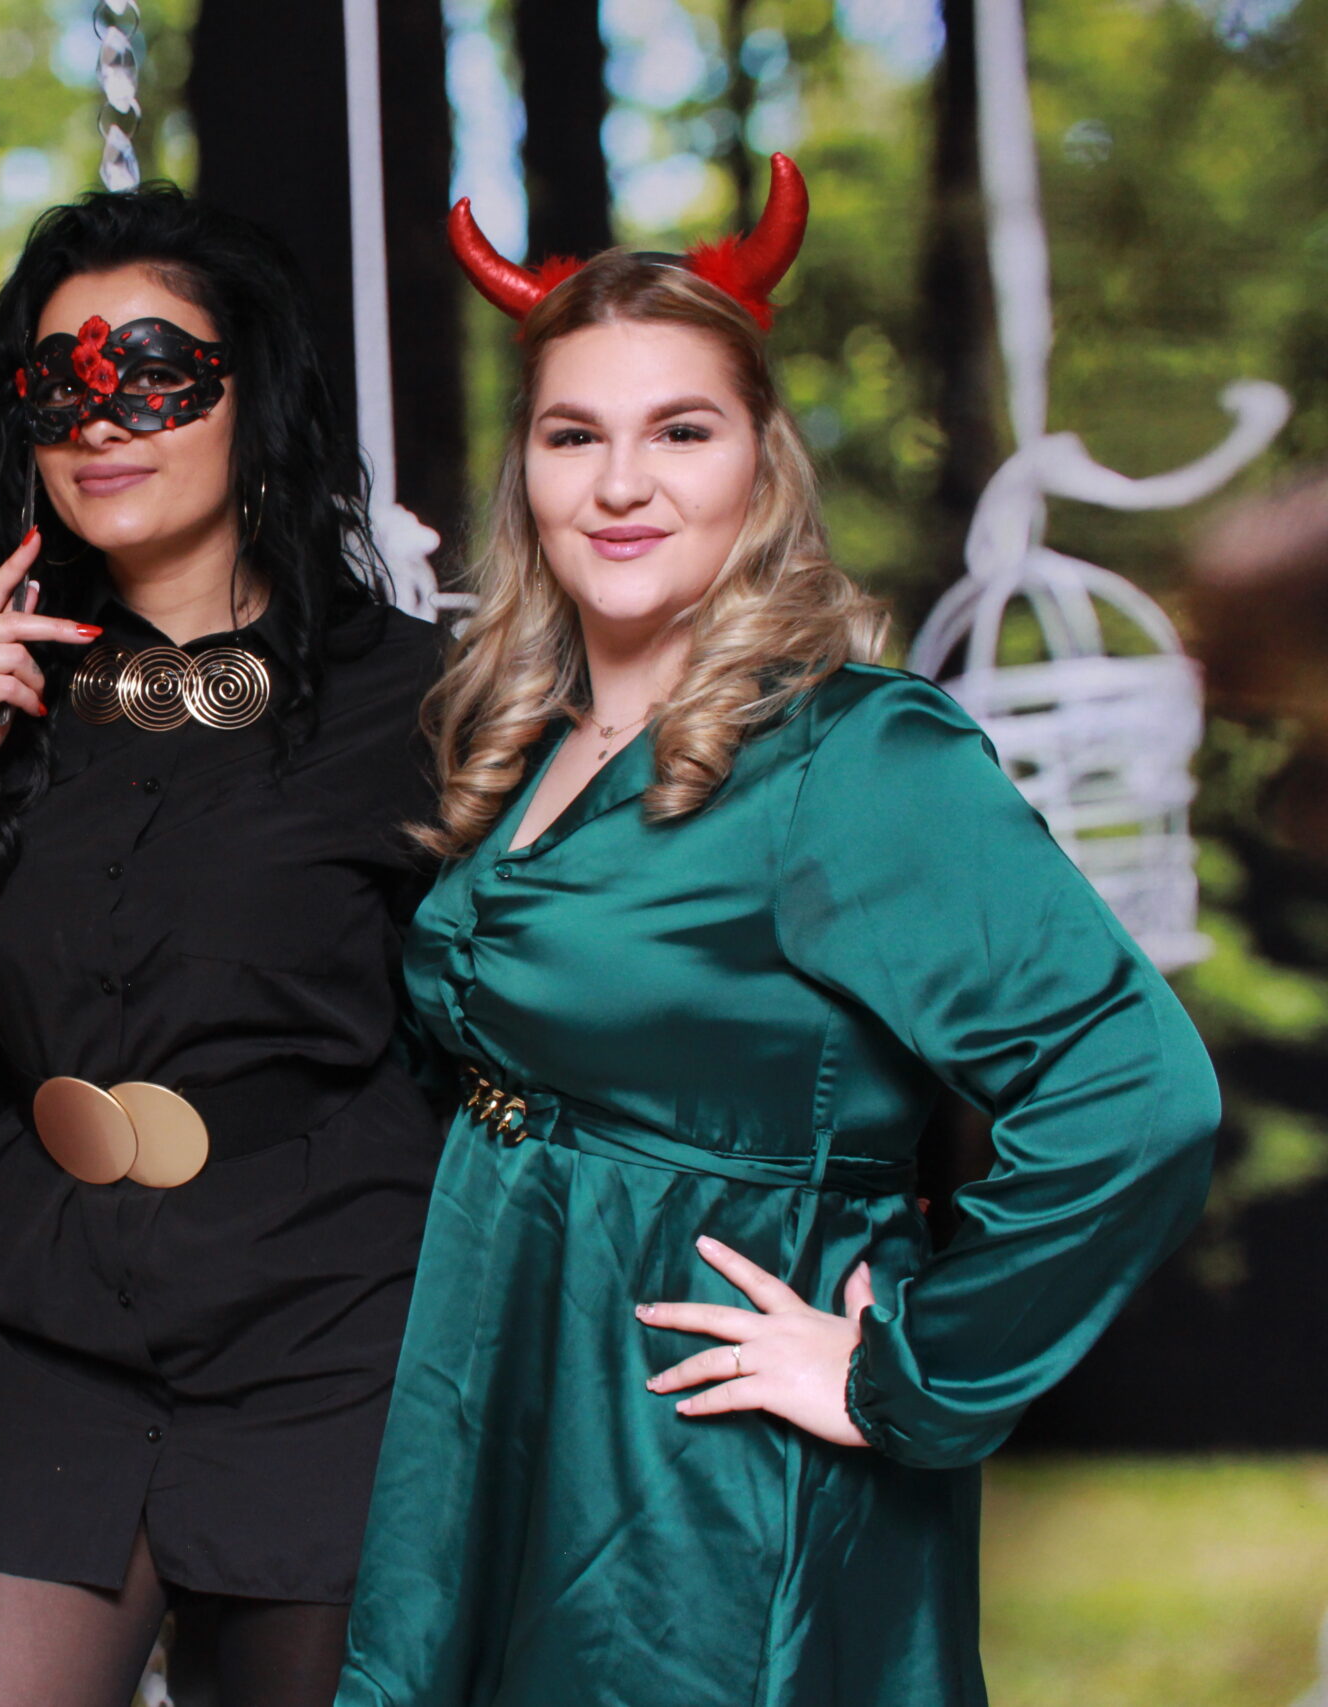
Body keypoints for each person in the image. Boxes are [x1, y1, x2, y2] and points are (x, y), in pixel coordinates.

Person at [337, 157, 1220, 1706]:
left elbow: (1135, 1094)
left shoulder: (856, 755)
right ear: (526, 469)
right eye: (574, 434)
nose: (622, 483)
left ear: (762, 462)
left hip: (698, 1454)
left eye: (681, 429)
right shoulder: (529, 740)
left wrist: (899, 1371)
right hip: (511, 1373)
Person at [0, 187, 448, 1707]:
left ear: (255, 391)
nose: (99, 421)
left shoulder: (421, 697)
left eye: (151, 372)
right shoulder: (7, 688)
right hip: (49, 1323)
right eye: (56, 387)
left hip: (326, 1325)